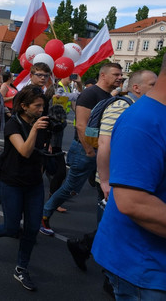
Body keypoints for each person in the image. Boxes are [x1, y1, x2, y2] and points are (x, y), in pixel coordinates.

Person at [66, 69, 157, 272]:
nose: (157, 88)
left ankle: (84, 247)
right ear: (136, 88)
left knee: (115, 225)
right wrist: (105, 180)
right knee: (116, 226)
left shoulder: (140, 107)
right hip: (113, 179)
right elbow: (104, 143)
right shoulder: (121, 107)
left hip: (125, 176)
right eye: (152, 84)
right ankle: (108, 273)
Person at [92, 56, 166, 299]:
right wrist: (104, 179)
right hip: (145, 266)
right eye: (115, 74)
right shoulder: (138, 118)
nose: (119, 78)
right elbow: (101, 141)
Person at [0, 85, 50, 291]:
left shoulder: (41, 123)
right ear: (24, 106)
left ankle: (21, 267)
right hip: (12, 183)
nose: (41, 110)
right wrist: (35, 129)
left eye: (43, 106)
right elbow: (25, 151)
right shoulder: (13, 124)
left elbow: (40, 153)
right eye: (37, 106)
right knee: (11, 228)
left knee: (32, 228)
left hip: (34, 183)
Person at [41, 63, 123, 236]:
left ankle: (103, 232)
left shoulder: (107, 95)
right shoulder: (90, 94)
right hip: (86, 150)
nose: (120, 77)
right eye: (116, 74)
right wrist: (89, 150)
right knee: (71, 188)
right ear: (103, 75)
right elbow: (80, 125)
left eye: (120, 74)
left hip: (99, 150)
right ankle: (44, 214)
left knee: (103, 189)